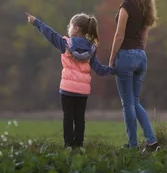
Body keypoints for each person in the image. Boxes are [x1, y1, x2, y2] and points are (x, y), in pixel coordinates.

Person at [26, 12, 115, 148]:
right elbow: (99, 69)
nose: (69, 27)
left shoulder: (64, 44)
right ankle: (78, 145)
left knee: (68, 118)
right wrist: (115, 69)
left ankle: (68, 145)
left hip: (67, 89)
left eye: (70, 25)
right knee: (79, 119)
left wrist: (36, 22)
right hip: (83, 91)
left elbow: (49, 33)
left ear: (76, 28)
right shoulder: (91, 49)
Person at [108, 0, 160, 152]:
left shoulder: (127, 5)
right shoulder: (144, 4)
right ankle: (152, 142)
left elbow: (119, 35)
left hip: (126, 56)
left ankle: (132, 145)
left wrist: (112, 58)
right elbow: (144, 34)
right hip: (141, 57)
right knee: (135, 102)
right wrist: (139, 53)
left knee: (127, 103)